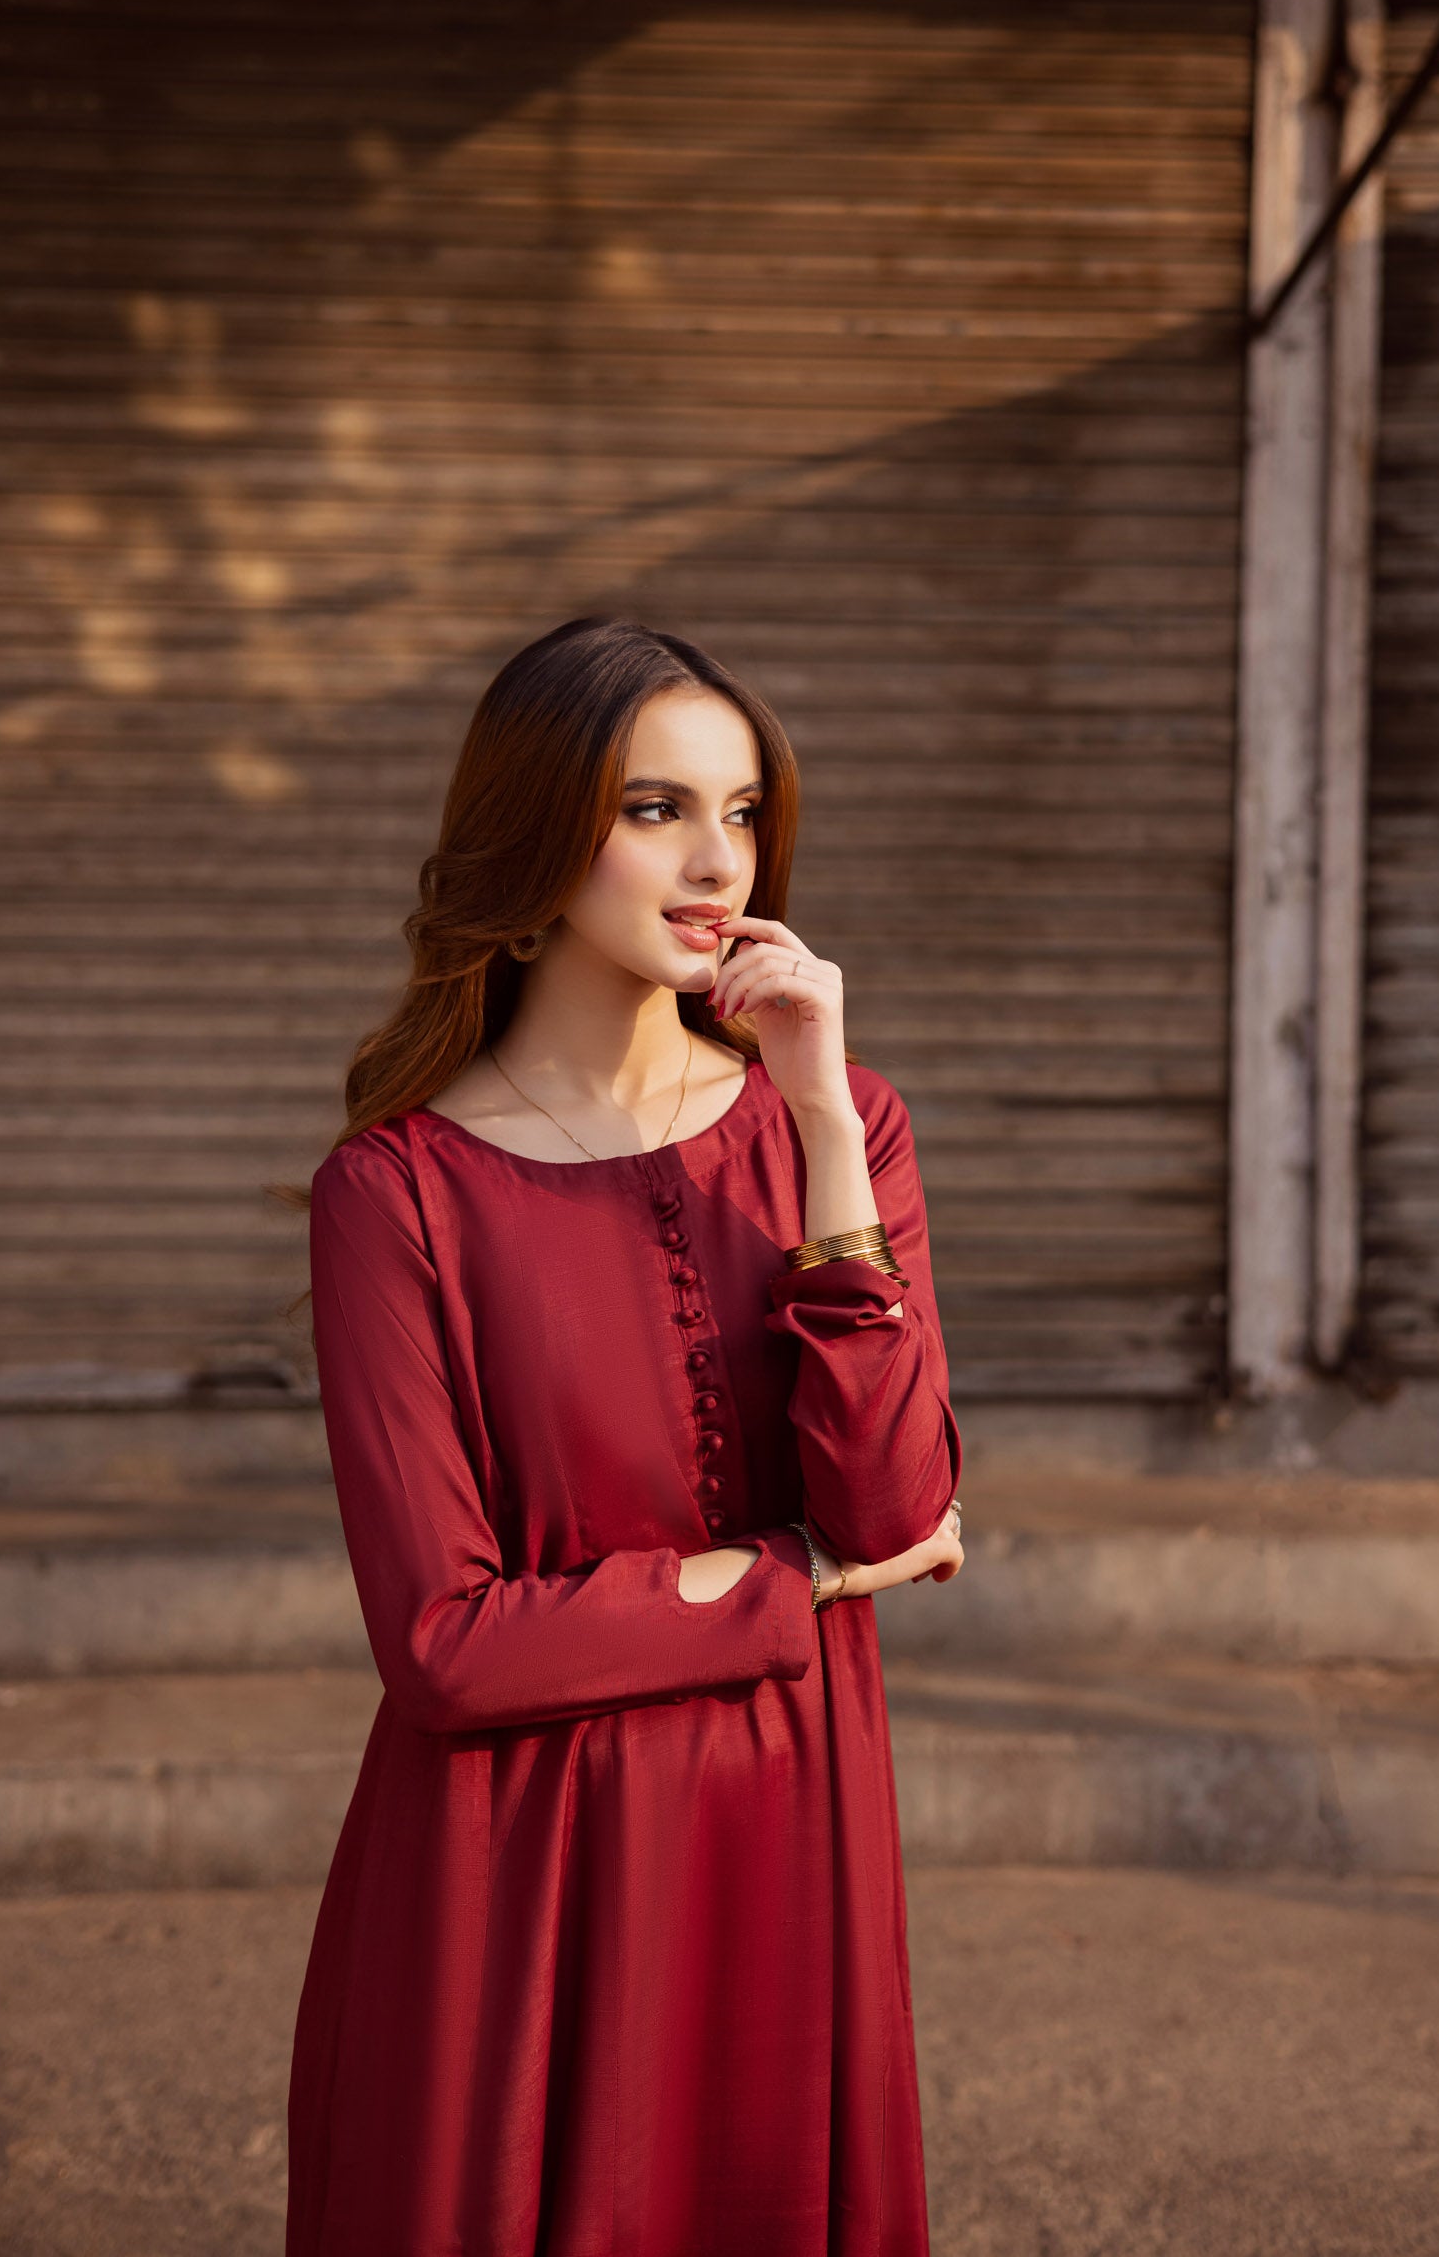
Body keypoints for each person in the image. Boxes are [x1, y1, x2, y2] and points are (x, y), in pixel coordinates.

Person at [284, 615, 966, 2257]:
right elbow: (443, 1644)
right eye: (654, 808)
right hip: (512, 1878)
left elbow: (896, 1499)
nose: (712, 860)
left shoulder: (843, 1125)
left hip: (784, 1838)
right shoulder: (396, 1195)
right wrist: (784, 1582)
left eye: (741, 813)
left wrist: (810, 1120)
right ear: (537, 824)